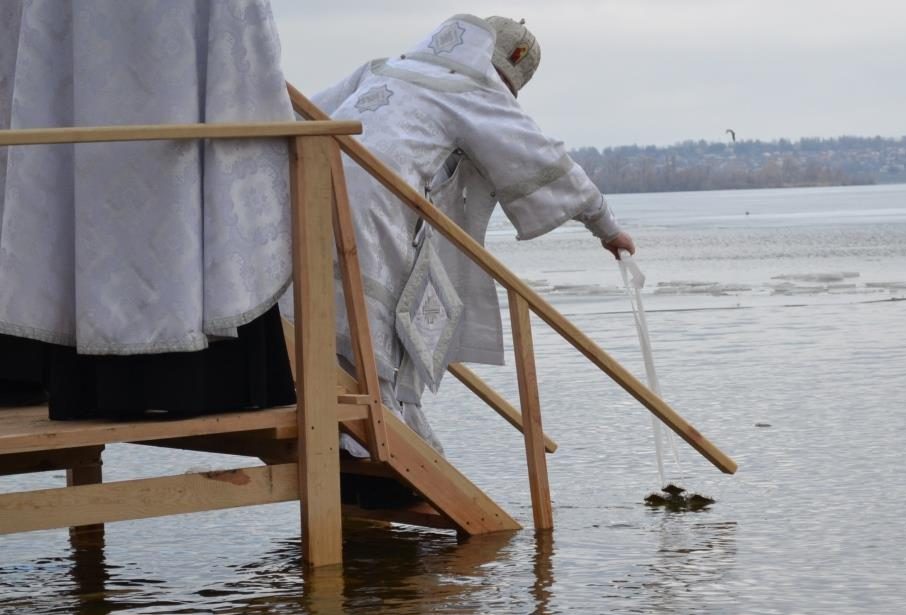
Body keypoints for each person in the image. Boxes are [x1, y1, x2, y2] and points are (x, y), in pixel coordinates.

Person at [291, 14, 634, 456]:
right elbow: (545, 161)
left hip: (311, 186)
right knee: (377, 314)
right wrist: (607, 228)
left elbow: (308, 110)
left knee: (337, 311)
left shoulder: (384, 67)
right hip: (377, 206)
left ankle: (356, 425)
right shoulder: (475, 85)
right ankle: (377, 433)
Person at [0, 0, 297, 417]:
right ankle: (202, 382)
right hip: (179, 146)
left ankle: (83, 386)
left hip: (87, 159)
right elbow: (242, 44)